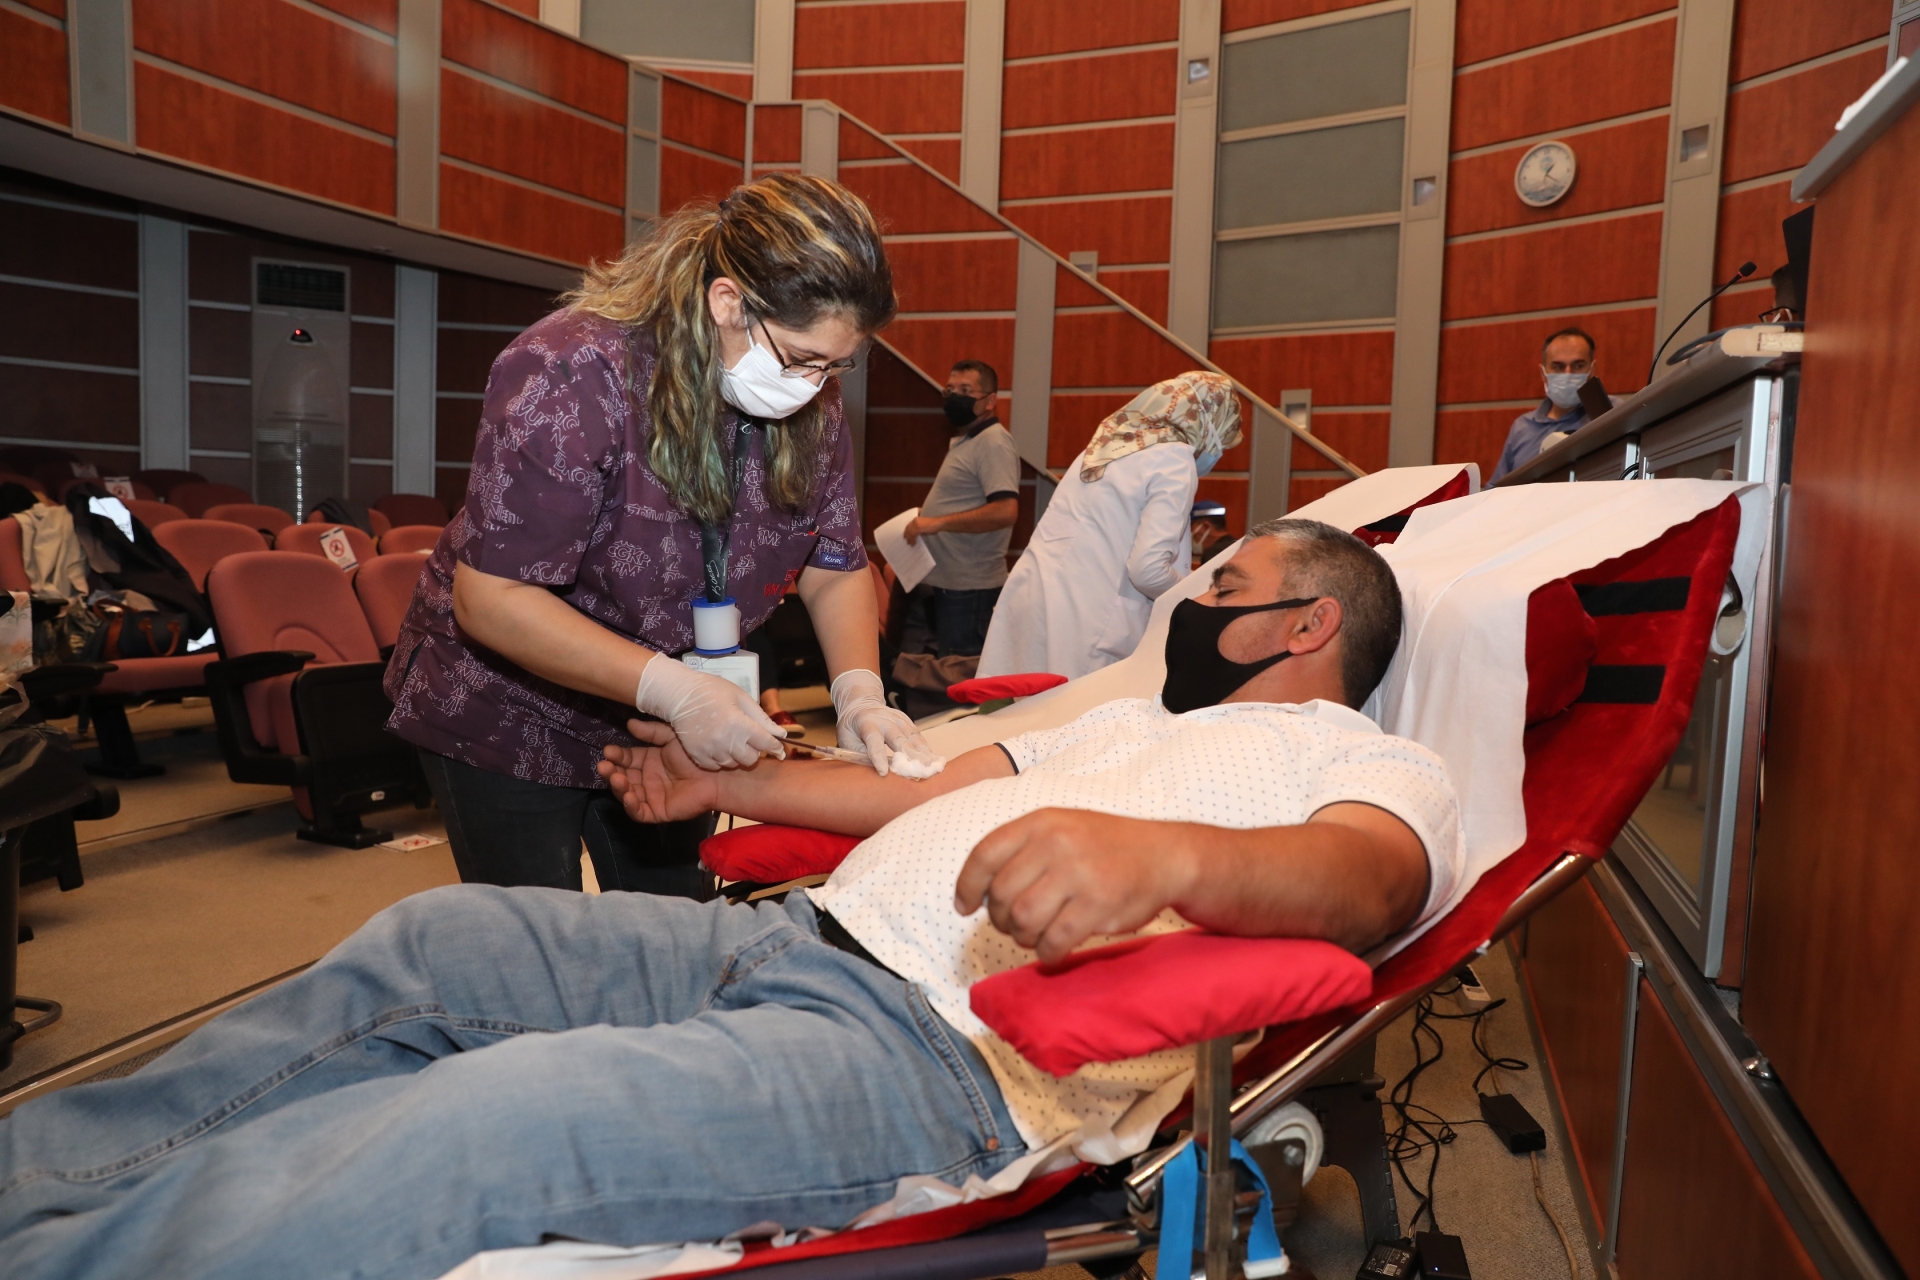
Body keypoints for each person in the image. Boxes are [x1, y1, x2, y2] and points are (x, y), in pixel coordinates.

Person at [0, 520, 1461, 1280]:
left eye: (1226, 577)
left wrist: (1168, 861)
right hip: (782, 938)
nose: (1190, 599)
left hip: (931, 1062)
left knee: (497, 1118)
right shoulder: (1134, 723)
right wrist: (727, 795)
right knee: (435, 942)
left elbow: (1374, 885)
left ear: (1307, 623)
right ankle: (30, 1187)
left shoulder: (1360, 761)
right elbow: (925, 800)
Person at [382, 174, 933, 894]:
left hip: (673, 720)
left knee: (674, 930)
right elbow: (492, 599)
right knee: (533, 948)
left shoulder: (813, 399)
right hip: (509, 708)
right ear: (727, 300)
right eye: (802, 357)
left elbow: (833, 559)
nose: (817, 382)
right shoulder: (573, 368)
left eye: (838, 364)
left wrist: (859, 692)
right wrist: (675, 689)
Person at [977, 372, 1242, 680]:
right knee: (1069, 723)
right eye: (1222, 439)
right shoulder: (1174, 457)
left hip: (1031, 601)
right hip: (1086, 622)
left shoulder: (1108, 444)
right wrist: (1198, 595)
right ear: (1207, 423)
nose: (1218, 452)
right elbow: (1148, 570)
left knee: (1013, 718)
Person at [896, 359, 1022, 661]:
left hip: (971, 591)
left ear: (990, 401)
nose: (955, 396)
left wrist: (936, 523)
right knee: (943, 674)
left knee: (961, 677)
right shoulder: (969, 441)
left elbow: (1006, 511)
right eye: (950, 389)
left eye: (966, 390)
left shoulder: (994, 442)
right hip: (949, 586)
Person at [1490, 327, 1608, 482]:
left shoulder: (1609, 413)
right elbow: (1496, 490)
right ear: (1543, 373)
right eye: (1558, 367)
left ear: (1592, 370)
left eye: (1578, 366)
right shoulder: (1522, 427)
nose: (1568, 374)